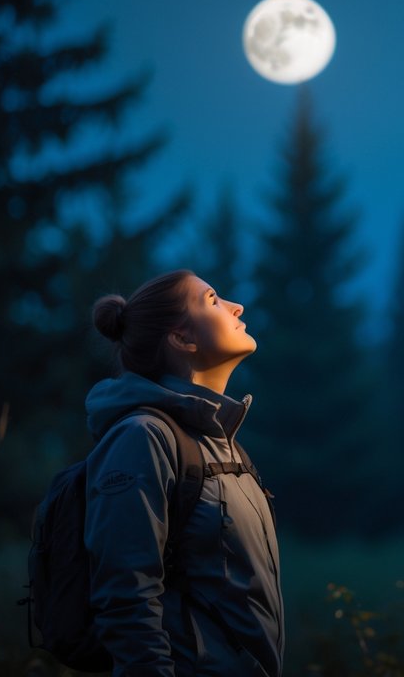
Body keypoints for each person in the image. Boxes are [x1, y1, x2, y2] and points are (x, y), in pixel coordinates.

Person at [84, 269, 283, 676]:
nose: (236, 306)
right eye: (213, 300)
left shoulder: (227, 446)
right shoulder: (142, 438)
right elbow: (126, 597)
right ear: (182, 338)